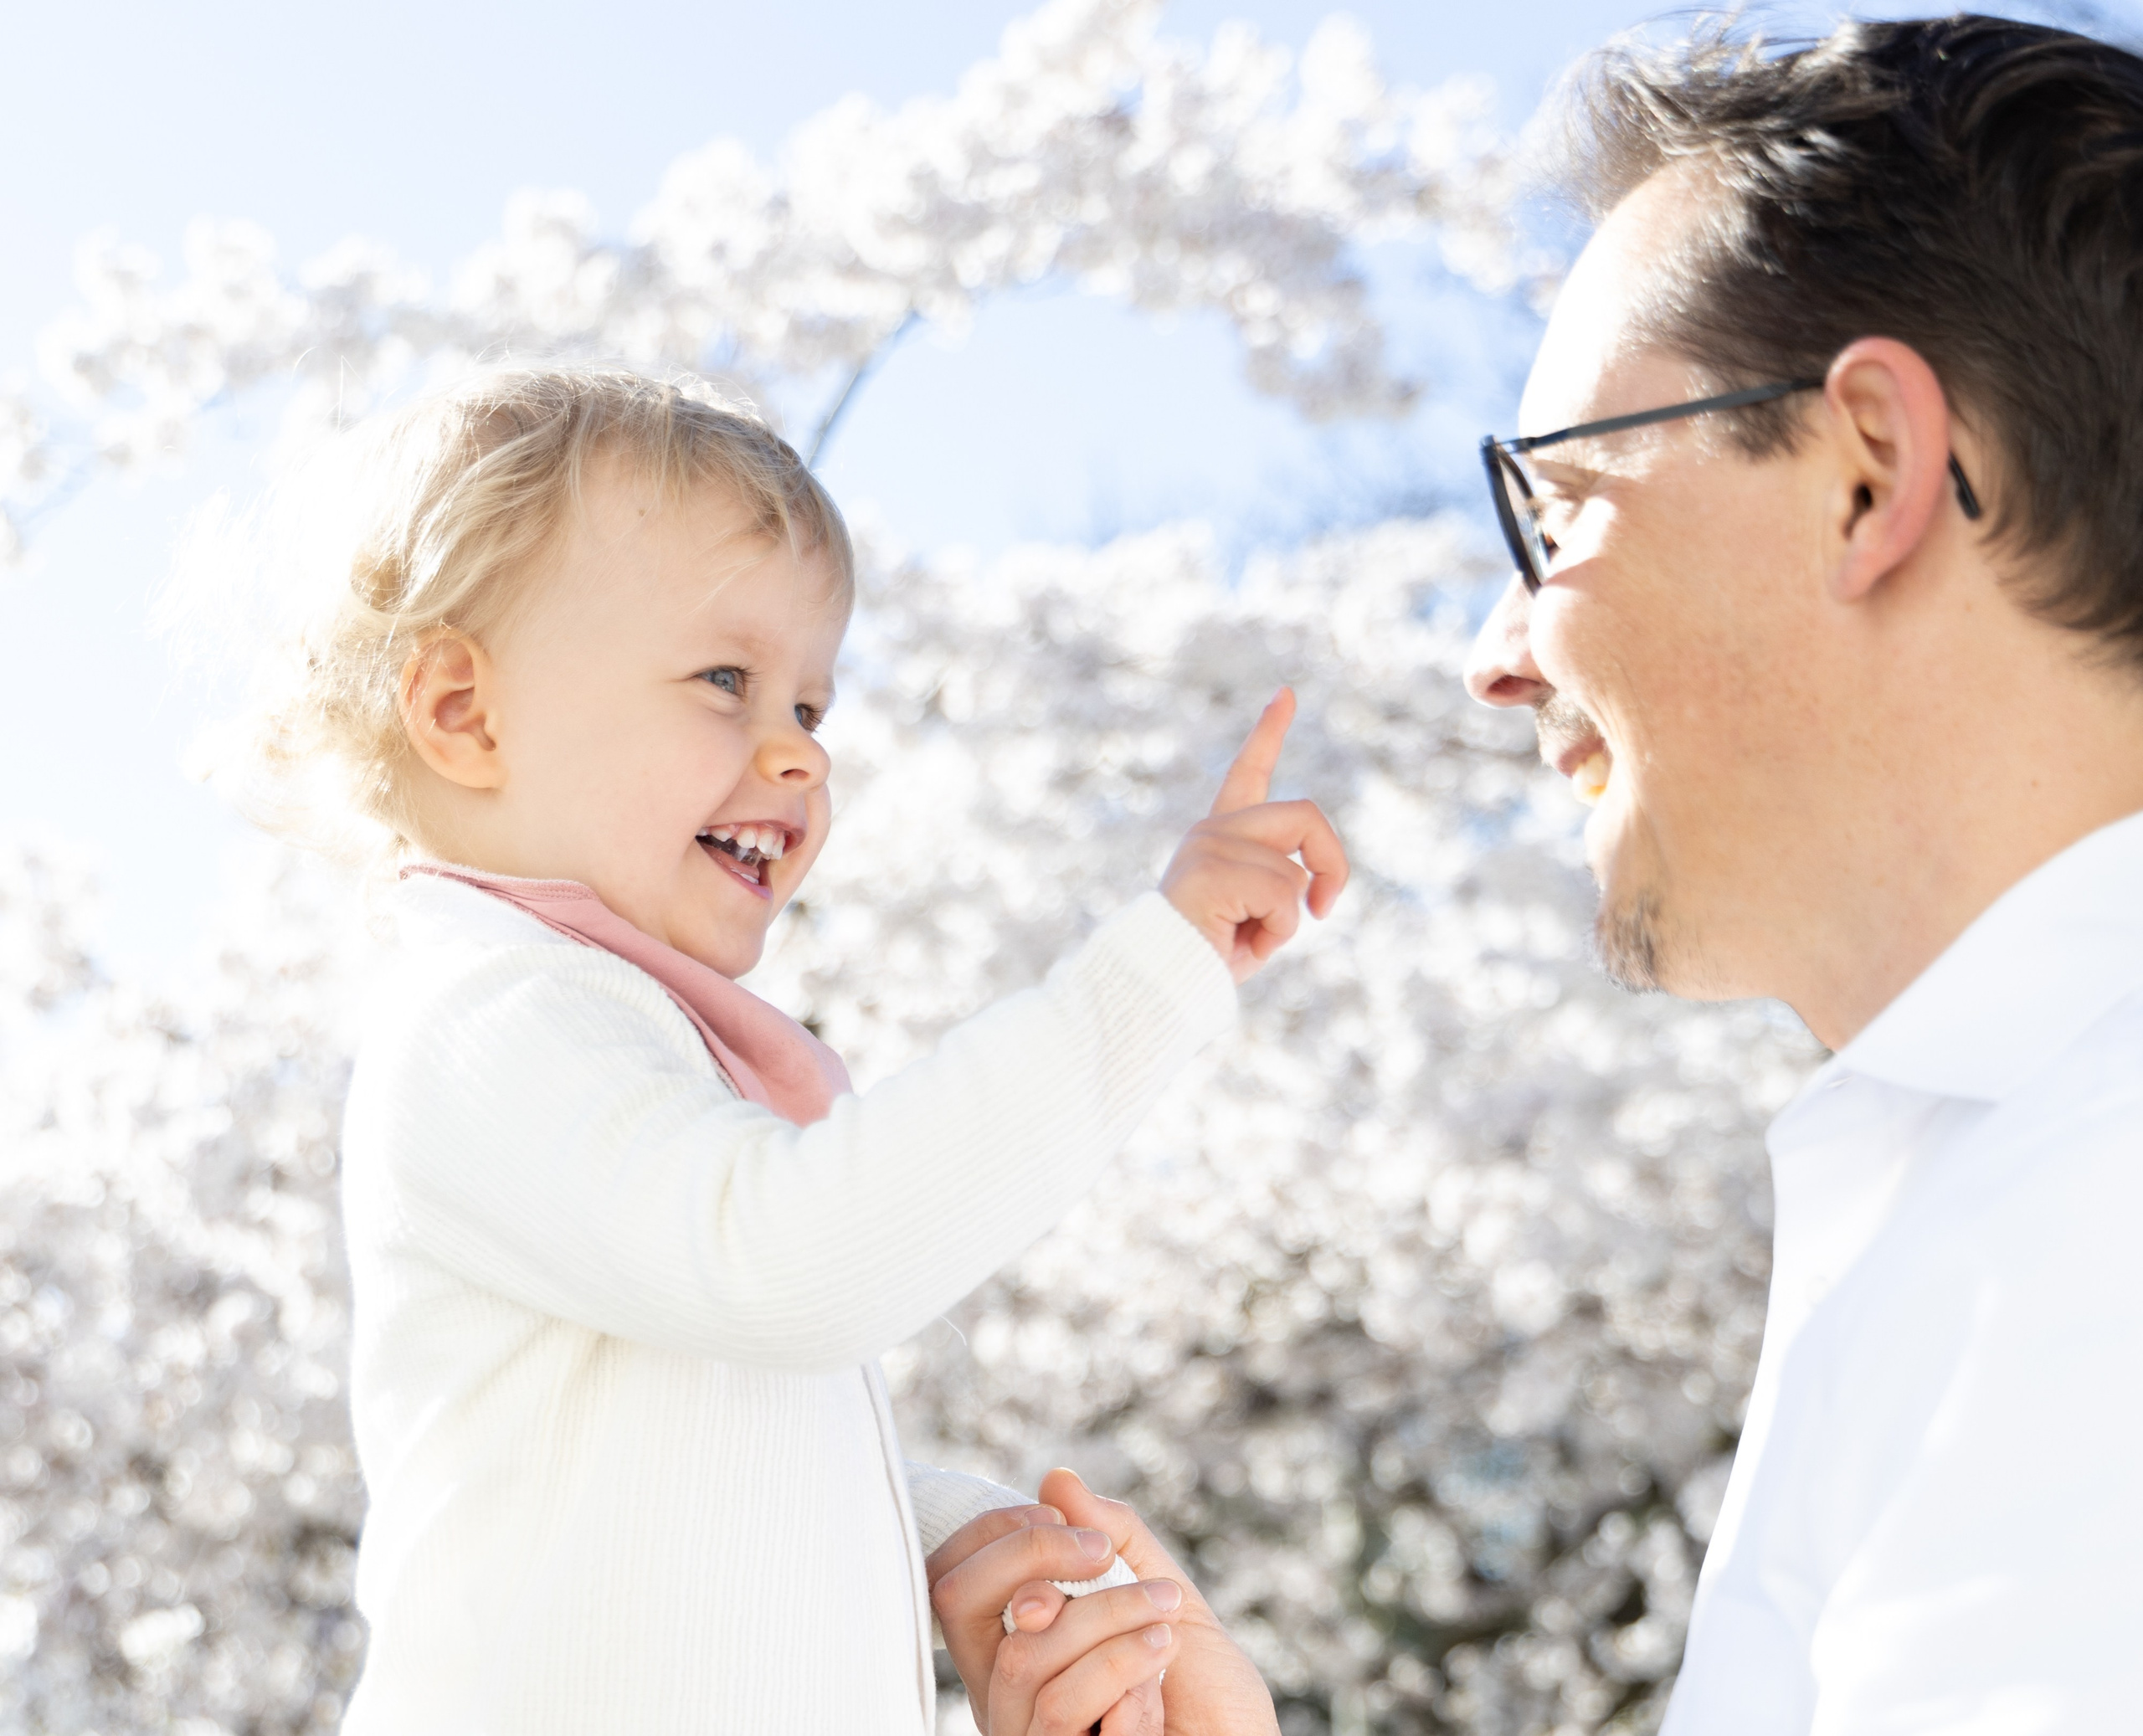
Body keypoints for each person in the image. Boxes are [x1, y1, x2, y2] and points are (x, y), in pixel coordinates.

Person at [930, 13, 2143, 1731]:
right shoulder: (1979, 1180)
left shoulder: (2084, 1221)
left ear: (1868, 470)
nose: (1491, 655)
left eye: (1557, 514)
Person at [224, 364, 1348, 1733]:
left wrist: (941, 1530)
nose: (801, 754)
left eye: (810, 707)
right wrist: (1153, 972)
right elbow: (787, 1264)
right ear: (464, 711)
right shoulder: (495, 1020)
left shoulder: (627, 1047)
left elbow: (695, 1437)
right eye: (725, 681)